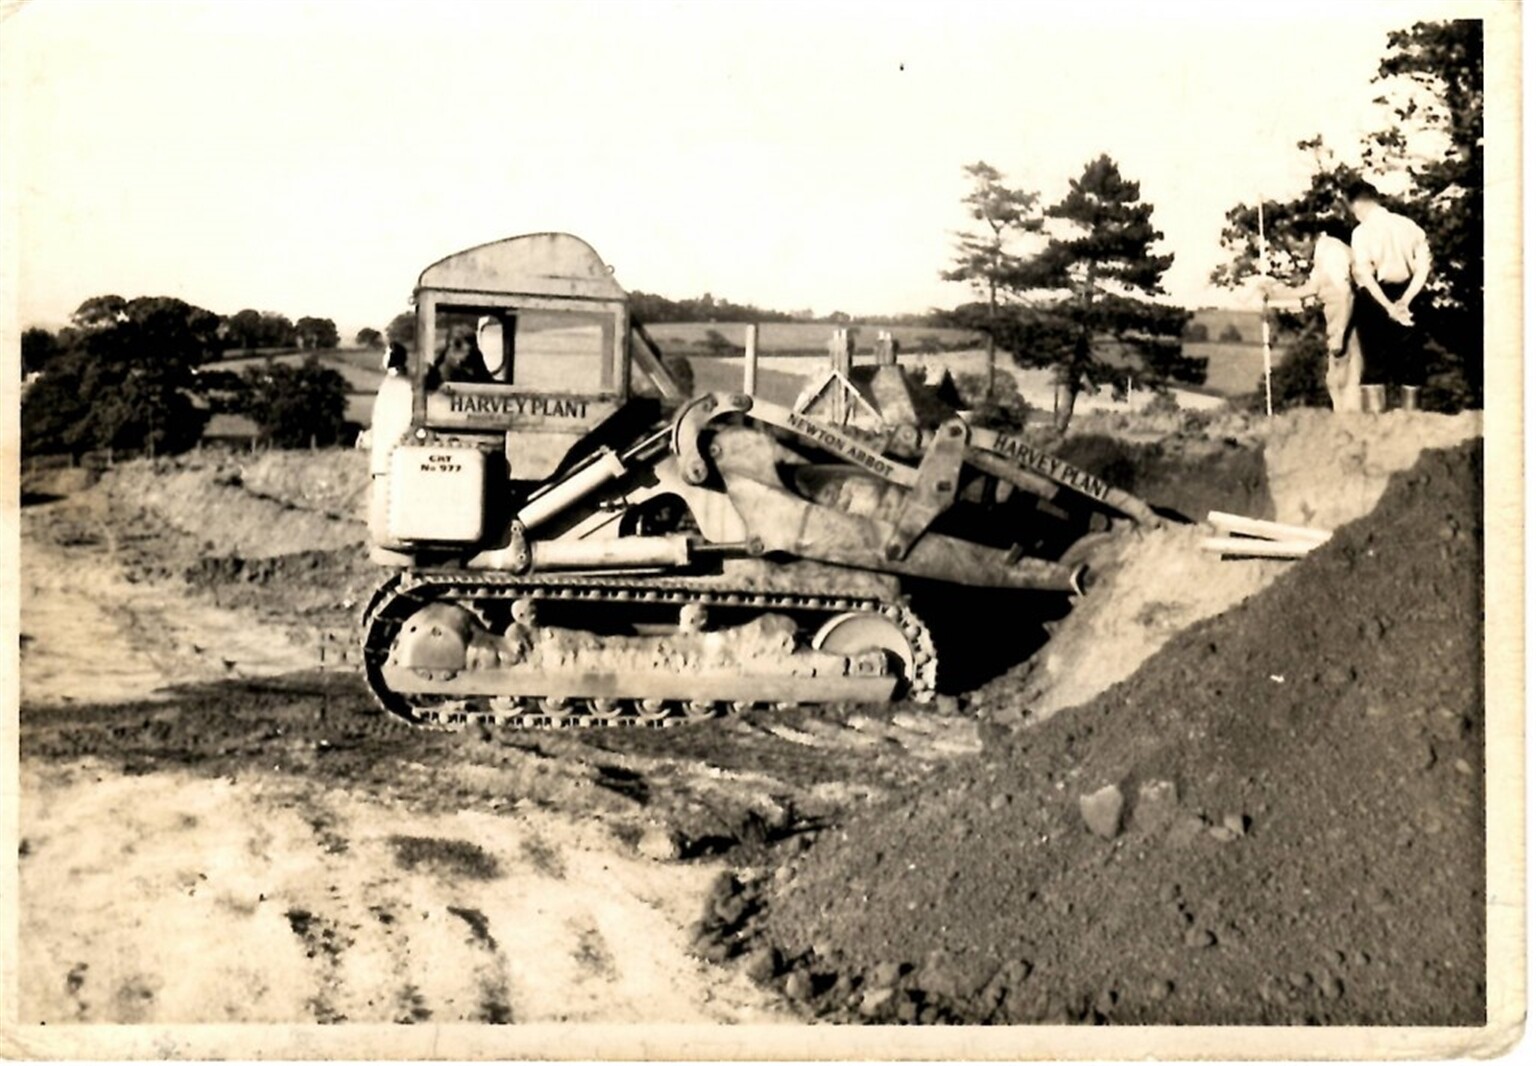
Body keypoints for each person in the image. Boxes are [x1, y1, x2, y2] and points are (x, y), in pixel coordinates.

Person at [1345, 179, 1432, 396]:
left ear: (1357, 204)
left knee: (1374, 366)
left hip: (1375, 297)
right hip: (1409, 295)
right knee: (1411, 365)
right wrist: (1405, 301)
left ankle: (1375, 428)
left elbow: (1366, 276)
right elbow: (1422, 271)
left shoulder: (1362, 232)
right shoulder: (1411, 227)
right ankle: (1412, 424)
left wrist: (1387, 306)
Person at [1267, 218, 1363, 412]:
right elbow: (1313, 287)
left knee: (1347, 381)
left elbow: (1346, 295)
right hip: (1337, 322)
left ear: (1306, 237)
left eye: (1296, 246)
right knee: (1334, 381)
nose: (1296, 253)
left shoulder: (1332, 253)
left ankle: (1352, 428)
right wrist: (1276, 293)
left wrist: (1340, 334)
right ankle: (1343, 425)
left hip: (1349, 321)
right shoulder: (1321, 254)